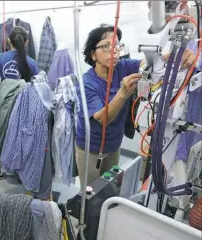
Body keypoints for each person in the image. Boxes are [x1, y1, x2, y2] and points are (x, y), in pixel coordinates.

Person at [75, 25, 195, 188]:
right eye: (106, 46)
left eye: (117, 45)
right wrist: (123, 93)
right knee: (90, 194)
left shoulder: (122, 67)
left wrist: (177, 56)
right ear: (92, 54)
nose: (114, 50)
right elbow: (103, 119)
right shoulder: (87, 84)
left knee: (109, 186)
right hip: (91, 149)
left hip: (114, 145)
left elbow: (148, 63)